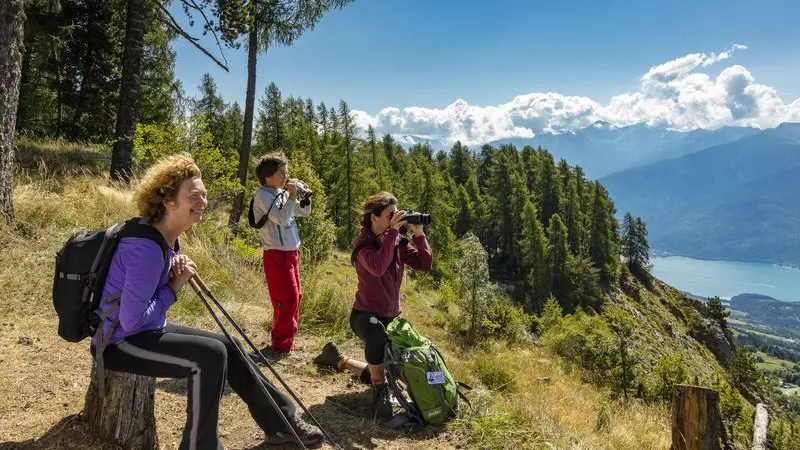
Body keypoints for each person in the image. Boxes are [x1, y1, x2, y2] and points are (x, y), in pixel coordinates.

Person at [90, 153, 323, 450]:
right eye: (193, 196)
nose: (203, 201)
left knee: (230, 346)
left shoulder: (166, 237)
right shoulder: (146, 248)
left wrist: (172, 268)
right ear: (168, 201)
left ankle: (283, 423)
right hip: (118, 342)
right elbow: (131, 320)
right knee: (210, 356)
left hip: (145, 330)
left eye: (204, 194)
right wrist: (174, 286)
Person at [313, 191, 432, 418]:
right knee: (377, 338)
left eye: (397, 214)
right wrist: (393, 233)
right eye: (390, 215)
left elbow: (424, 264)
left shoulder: (395, 241)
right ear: (374, 217)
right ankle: (379, 390)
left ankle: (338, 360)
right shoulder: (364, 244)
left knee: (392, 372)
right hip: (365, 316)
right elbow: (377, 267)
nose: (396, 218)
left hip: (391, 316)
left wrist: (419, 235)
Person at [251, 152, 312, 354]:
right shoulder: (262, 195)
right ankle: (281, 343)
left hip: (291, 252)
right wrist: (291, 196)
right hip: (276, 253)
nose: (285, 177)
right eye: (281, 173)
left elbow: (303, 212)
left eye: (286, 172)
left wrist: (305, 198)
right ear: (268, 175)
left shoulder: (282, 193)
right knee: (287, 298)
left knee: (296, 296)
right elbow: (281, 219)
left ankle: (287, 340)